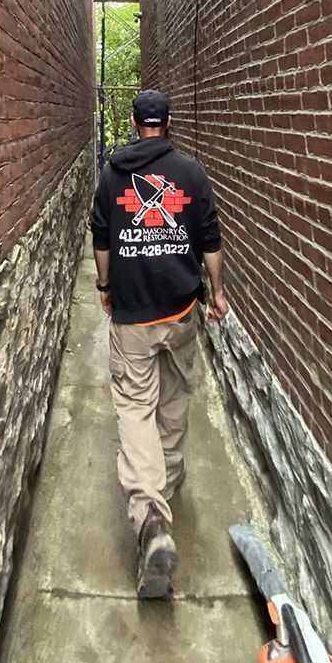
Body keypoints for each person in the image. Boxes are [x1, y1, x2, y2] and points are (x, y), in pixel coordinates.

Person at [89, 88, 229, 599]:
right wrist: (219, 293)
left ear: (133, 122)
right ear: (168, 124)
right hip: (180, 310)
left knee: (134, 408)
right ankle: (166, 486)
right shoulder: (191, 174)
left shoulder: (113, 174)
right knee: (173, 403)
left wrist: (105, 288)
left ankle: (151, 518)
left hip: (133, 315)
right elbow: (209, 240)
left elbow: (102, 238)